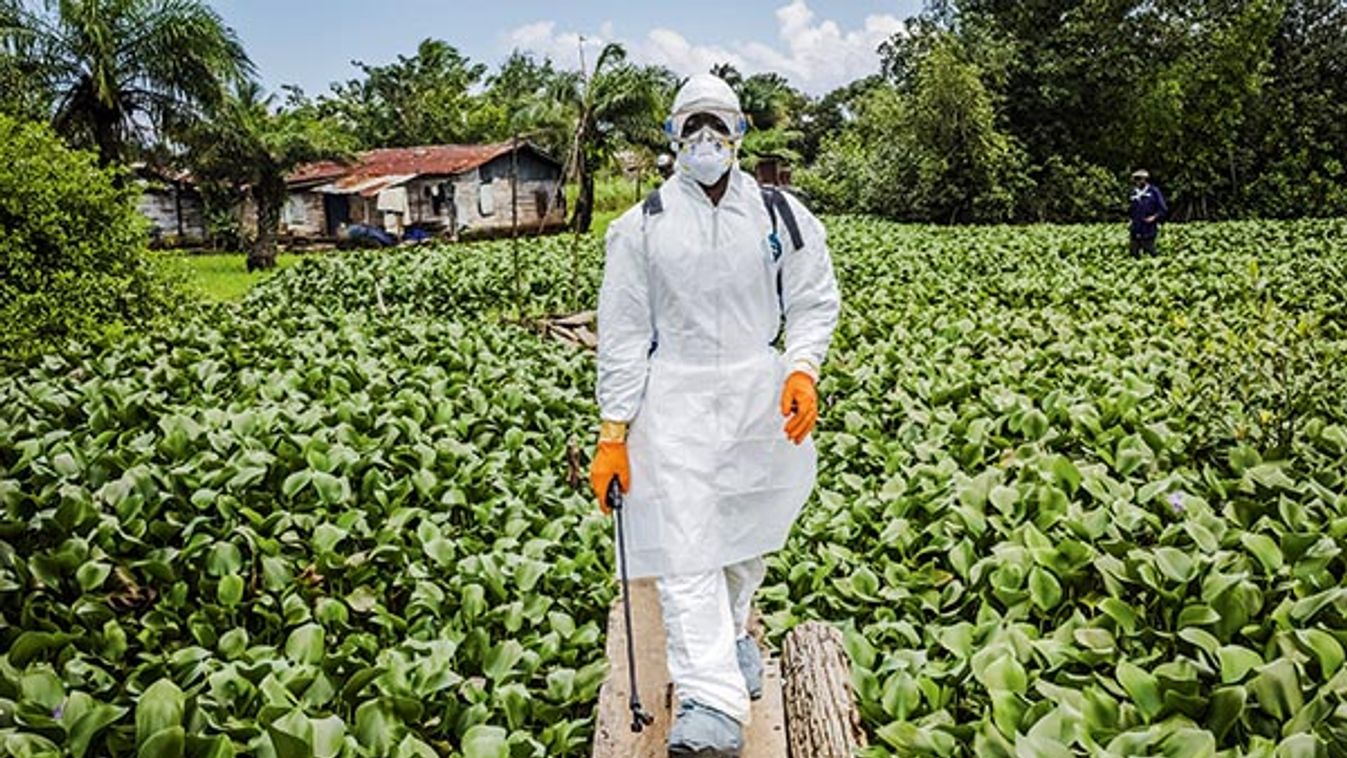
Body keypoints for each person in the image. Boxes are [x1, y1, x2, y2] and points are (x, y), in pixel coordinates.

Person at [589, 73, 840, 757]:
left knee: (743, 531)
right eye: (691, 127)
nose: (705, 141)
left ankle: (727, 644)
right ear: (672, 136)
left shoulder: (781, 215)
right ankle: (710, 698)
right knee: (683, 547)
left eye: (717, 126)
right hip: (672, 400)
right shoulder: (639, 227)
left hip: (757, 395)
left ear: (739, 133)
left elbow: (814, 299)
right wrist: (613, 431)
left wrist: (801, 367)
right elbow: (620, 333)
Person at [1129, 169, 1168, 255]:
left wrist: (1153, 217)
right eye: (1136, 179)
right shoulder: (1133, 192)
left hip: (1148, 229)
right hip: (1135, 228)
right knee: (1133, 253)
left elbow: (1163, 209)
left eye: (1139, 179)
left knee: (1150, 251)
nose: (1137, 181)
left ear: (1145, 179)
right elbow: (1130, 209)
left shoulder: (1154, 191)